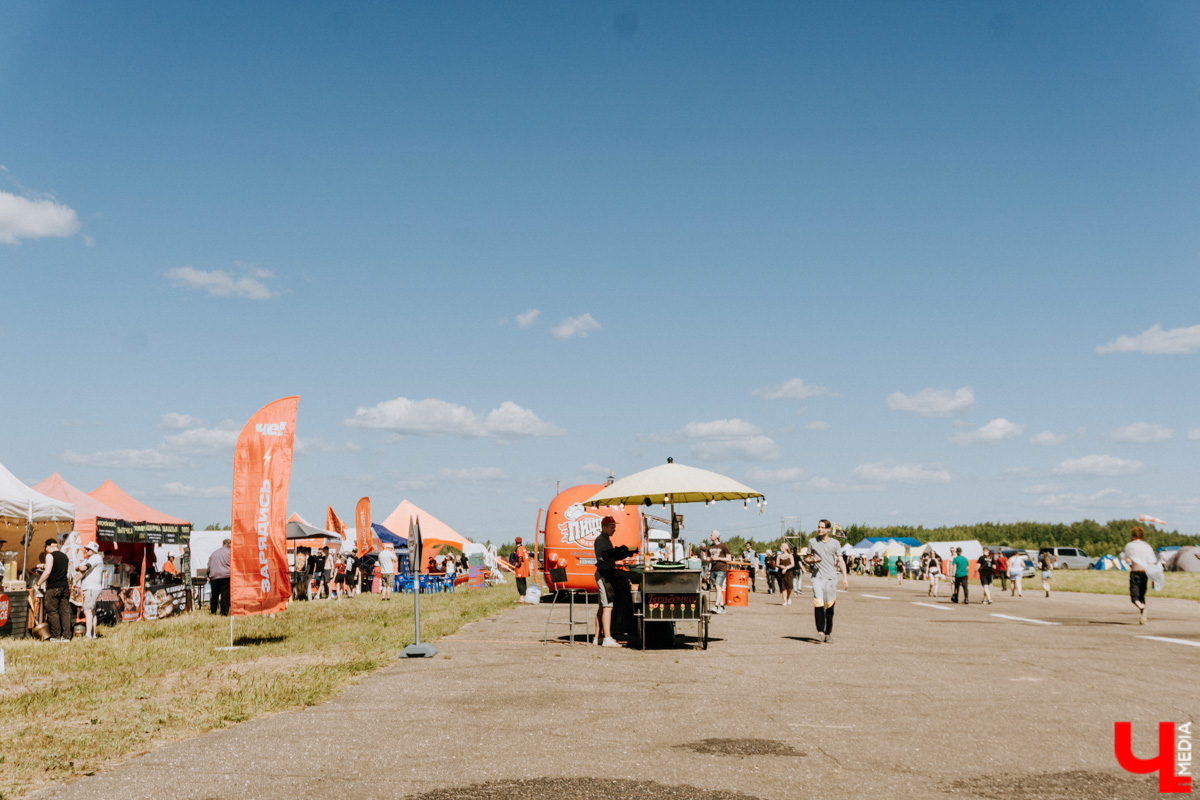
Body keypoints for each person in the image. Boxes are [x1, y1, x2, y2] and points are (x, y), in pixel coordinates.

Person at [804, 520, 848, 643]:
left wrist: (845, 577)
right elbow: (807, 558)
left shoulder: (835, 543)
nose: (820, 529)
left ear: (828, 529)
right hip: (817, 578)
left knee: (829, 605)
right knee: (818, 602)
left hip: (831, 578)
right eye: (818, 527)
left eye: (823, 527)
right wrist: (812, 560)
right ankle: (820, 632)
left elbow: (841, 560)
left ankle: (828, 633)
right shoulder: (812, 542)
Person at [593, 516, 634, 646]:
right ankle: (607, 638)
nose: (614, 529)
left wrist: (625, 553)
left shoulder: (606, 540)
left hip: (605, 573)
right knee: (608, 606)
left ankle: (597, 637)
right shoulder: (600, 540)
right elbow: (604, 556)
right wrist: (618, 550)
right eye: (612, 527)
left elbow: (612, 556)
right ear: (604, 527)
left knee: (602, 607)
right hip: (604, 575)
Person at [1122, 525, 1162, 625]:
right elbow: (1152, 562)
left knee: (1134, 597)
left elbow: (1125, 558)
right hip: (1145, 573)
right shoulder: (1147, 546)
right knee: (1142, 596)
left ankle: (1143, 609)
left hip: (1135, 572)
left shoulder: (1129, 546)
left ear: (1133, 535)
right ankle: (1143, 616)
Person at [36, 539, 73, 641]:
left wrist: (38, 584)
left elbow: (48, 572)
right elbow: (57, 569)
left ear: (48, 546)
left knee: (52, 612)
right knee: (65, 612)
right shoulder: (64, 556)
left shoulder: (49, 556)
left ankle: (56, 636)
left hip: (54, 587)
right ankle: (66, 636)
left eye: (45, 548)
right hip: (65, 586)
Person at [78, 541, 105, 639]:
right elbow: (79, 567)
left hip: (91, 587)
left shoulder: (95, 558)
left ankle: (88, 634)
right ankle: (92, 634)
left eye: (88, 549)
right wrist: (79, 567)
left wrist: (79, 570)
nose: (86, 551)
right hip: (91, 587)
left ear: (93, 550)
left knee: (87, 611)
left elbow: (85, 568)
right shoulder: (90, 558)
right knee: (92, 611)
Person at [706, 531, 732, 614]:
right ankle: (723, 607)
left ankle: (716, 606)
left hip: (721, 568)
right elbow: (707, 559)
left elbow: (729, 558)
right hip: (713, 569)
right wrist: (711, 559)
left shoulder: (723, 546)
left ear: (716, 536)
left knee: (718, 586)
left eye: (711, 535)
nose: (710, 536)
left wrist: (718, 558)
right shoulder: (709, 547)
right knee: (718, 589)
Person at [207, 538, 231, 615]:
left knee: (214, 595)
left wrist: (208, 575)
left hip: (214, 576)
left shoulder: (214, 553)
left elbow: (208, 566)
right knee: (225, 595)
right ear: (228, 544)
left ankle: (213, 611)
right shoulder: (230, 553)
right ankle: (223, 612)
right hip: (226, 576)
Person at [776, 542, 796, 606]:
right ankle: (785, 601)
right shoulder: (779, 556)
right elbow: (776, 564)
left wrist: (786, 568)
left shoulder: (790, 555)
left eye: (782, 547)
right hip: (781, 573)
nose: (780, 548)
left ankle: (788, 597)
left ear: (786, 548)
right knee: (783, 587)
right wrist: (780, 566)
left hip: (789, 573)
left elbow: (793, 564)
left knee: (789, 587)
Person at [512, 537, 529, 601]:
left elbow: (520, 557)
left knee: (519, 582)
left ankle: (522, 597)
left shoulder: (519, 549)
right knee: (523, 582)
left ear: (516, 542)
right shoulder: (524, 548)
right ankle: (524, 596)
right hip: (524, 569)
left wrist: (518, 564)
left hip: (520, 569)